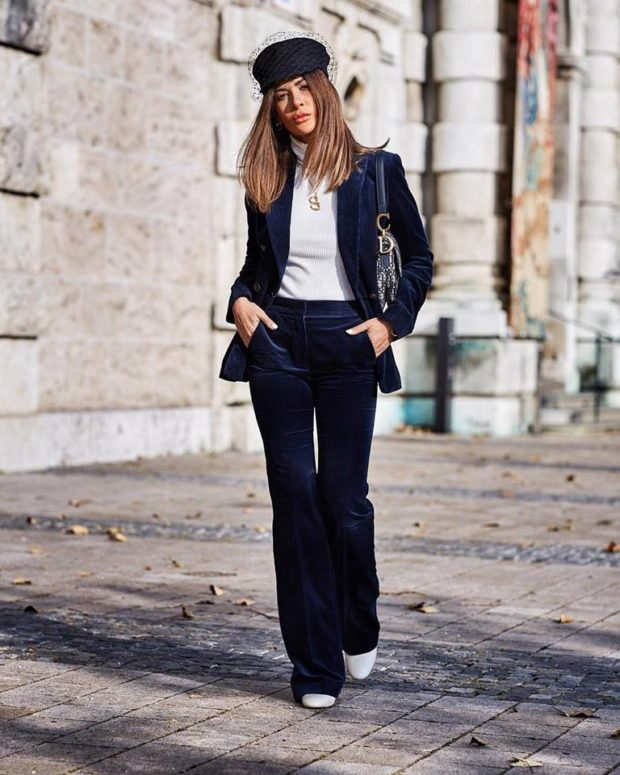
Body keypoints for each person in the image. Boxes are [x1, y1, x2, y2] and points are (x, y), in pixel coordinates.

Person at [219, 31, 433, 708]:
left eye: (303, 88)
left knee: (343, 499)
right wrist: (239, 302)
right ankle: (314, 666)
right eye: (280, 96)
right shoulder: (266, 178)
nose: (294, 103)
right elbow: (257, 266)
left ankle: (356, 619)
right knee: (294, 500)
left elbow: (419, 258)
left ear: (325, 91)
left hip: (349, 343)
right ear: (272, 107)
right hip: (278, 343)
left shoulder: (377, 170)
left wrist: (389, 324)